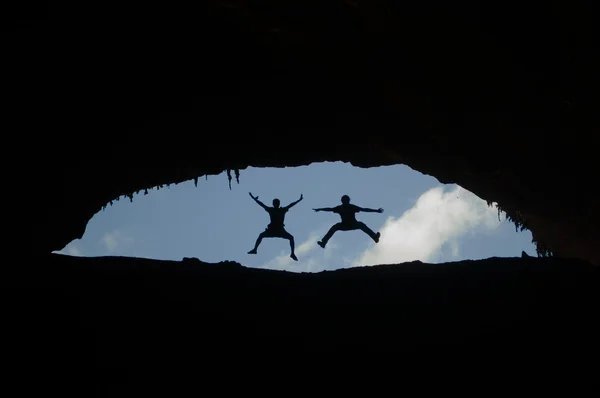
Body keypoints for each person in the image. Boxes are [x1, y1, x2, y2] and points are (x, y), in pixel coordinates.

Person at [247, 192, 303, 261]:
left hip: (279, 230)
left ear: (277, 204)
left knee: (291, 238)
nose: (276, 204)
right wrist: (253, 198)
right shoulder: (275, 210)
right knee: (261, 235)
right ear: (274, 204)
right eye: (275, 203)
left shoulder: (279, 210)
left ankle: (292, 254)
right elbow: (261, 204)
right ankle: (255, 249)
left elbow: (291, 205)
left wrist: (299, 200)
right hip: (273, 230)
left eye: (276, 203)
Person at [313, 194, 383, 248]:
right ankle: (323, 243)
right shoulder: (342, 207)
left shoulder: (349, 207)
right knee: (335, 226)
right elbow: (329, 209)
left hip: (351, 224)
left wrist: (376, 210)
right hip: (346, 225)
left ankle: (375, 237)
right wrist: (320, 209)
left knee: (361, 225)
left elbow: (364, 209)